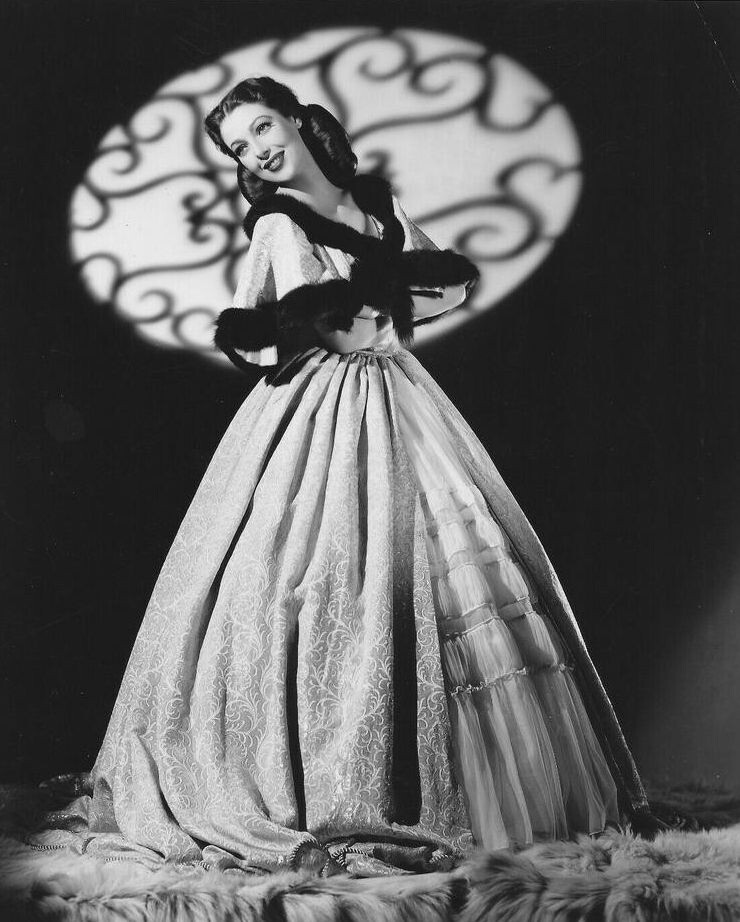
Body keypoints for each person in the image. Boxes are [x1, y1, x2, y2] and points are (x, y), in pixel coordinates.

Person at [31, 76, 652, 877]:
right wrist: (356, 312)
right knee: (320, 576)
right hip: (319, 409)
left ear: (295, 118)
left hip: (400, 395)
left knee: (459, 567)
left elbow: (443, 281)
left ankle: (504, 799)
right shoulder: (278, 223)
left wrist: (395, 304)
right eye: (241, 146)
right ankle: (330, 783)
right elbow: (293, 326)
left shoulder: (374, 205)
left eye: (263, 127)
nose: (257, 150)